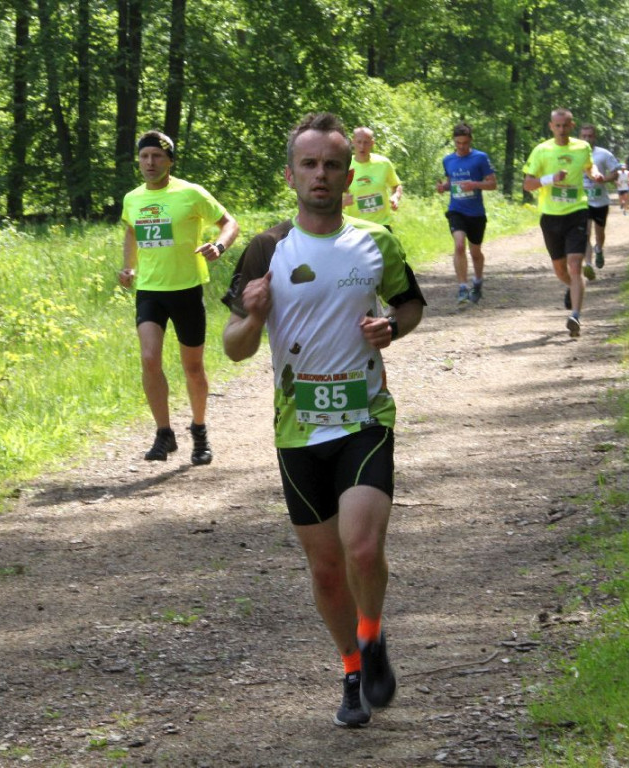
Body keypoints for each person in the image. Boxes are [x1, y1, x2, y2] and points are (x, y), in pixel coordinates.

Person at [221, 112, 426, 728]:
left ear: (348, 173)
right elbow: (233, 345)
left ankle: (372, 634)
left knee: (362, 550)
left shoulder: (377, 240)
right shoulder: (266, 248)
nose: (320, 174)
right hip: (297, 429)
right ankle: (351, 667)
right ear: (290, 174)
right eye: (308, 164)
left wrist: (390, 328)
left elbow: (410, 304)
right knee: (326, 567)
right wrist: (253, 316)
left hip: (365, 417)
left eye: (331, 165)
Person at [120, 130, 240, 464]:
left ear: (170, 160)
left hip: (186, 290)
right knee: (148, 358)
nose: (150, 162)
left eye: (157, 156)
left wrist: (219, 245)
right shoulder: (133, 199)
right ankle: (163, 434)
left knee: (193, 368)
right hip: (150, 291)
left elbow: (230, 222)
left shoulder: (191, 193)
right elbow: (131, 232)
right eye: (144, 157)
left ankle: (199, 431)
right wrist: (128, 268)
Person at [522, 108, 603, 338]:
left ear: (571, 125)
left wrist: (594, 174)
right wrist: (551, 179)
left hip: (576, 211)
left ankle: (575, 316)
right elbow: (528, 184)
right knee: (560, 269)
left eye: (565, 125)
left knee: (575, 265)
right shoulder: (542, 150)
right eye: (557, 126)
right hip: (550, 215)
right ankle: (571, 287)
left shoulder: (581, 147)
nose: (561, 130)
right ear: (551, 126)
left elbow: (589, 166)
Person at [435, 123, 497, 304]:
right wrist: (443, 188)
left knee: (475, 251)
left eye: (465, 143)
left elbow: (493, 184)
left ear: (470, 141)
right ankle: (462, 287)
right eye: (458, 143)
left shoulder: (480, 158)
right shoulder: (448, 160)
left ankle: (477, 282)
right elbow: (451, 183)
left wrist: (475, 185)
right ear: (454, 141)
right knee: (459, 245)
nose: (461, 146)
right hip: (456, 210)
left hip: (476, 213)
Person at [343, 126, 403, 231]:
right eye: (359, 142)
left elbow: (396, 185)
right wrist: (343, 202)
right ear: (353, 142)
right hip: (356, 226)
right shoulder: (344, 166)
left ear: (372, 143)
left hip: (382, 225)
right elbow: (331, 197)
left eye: (366, 142)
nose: (362, 146)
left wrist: (395, 197)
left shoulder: (383, 163)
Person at [578, 124, 620, 270]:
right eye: (584, 136)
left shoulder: (604, 154)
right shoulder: (574, 155)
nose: (587, 139)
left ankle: (599, 249)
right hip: (582, 202)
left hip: (600, 201)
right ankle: (588, 264)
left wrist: (604, 179)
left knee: (599, 233)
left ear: (594, 137)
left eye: (589, 136)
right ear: (579, 137)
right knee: (585, 232)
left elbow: (615, 172)